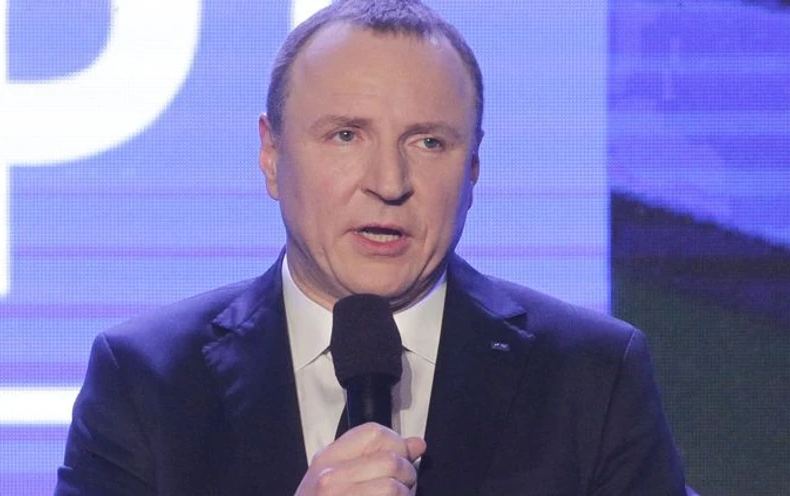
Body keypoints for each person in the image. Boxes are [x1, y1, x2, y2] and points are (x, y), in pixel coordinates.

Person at [55, 0, 688, 494]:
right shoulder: (147, 379)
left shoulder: (591, 375)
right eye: (346, 135)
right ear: (271, 155)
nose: (389, 182)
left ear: (473, 168)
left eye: (429, 142)